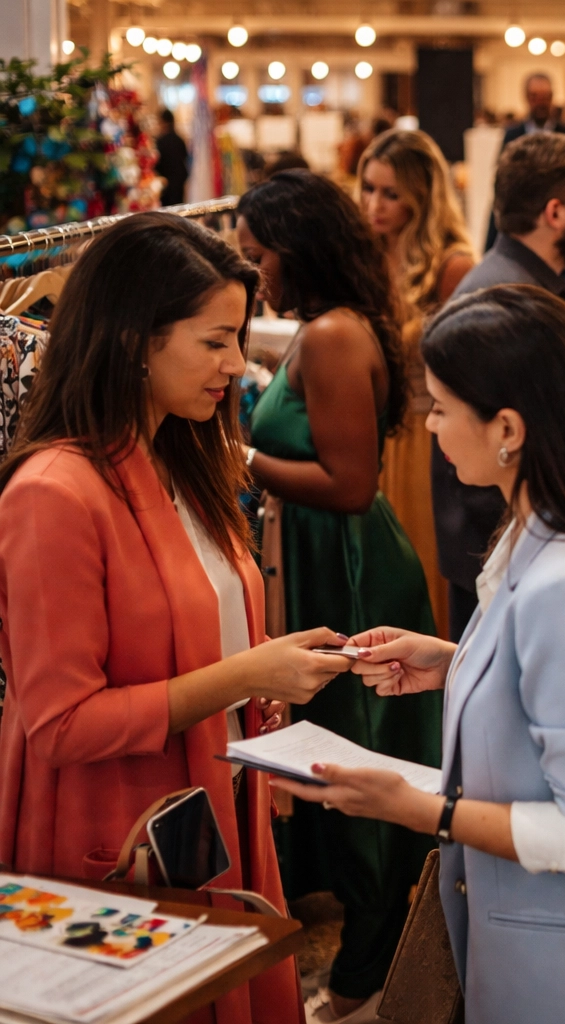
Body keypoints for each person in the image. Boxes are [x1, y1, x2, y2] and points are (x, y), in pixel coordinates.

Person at [270, 284, 565, 1023]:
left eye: (439, 407)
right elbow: (544, 673)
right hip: (538, 939)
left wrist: (414, 807)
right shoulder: (535, 529)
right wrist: (453, 659)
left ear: (507, 428)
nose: (428, 425)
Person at [0, 213, 356, 1024]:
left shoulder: (181, 461)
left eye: (237, 339)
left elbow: (196, 635)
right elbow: (58, 723)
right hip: (122, 831)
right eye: (215, 341)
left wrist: (266, 670)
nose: (236, 364)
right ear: (134, 340)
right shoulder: (54, 494)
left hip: (209, 803)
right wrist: (246, 673)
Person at [237, 171, 442, 1024]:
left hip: (351, 566)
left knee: (356, 762)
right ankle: (365, 946)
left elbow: (351, 486)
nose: (254, 273)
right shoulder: (329, 327)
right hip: (323, 557)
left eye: (258, 254)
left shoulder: (330, 335)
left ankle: (367, 968)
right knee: (338, 757)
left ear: (297, 248)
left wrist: (241, 459)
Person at [435, 131, 565, 641]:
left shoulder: (563, 281)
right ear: (555, 213)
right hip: (526, 560)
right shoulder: (495, 298)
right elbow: (476, 455)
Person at [358, 128, 477, 637]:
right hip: (370, 438)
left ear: (422, 197)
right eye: (368, 188)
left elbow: (469, 372)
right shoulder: (364, 259)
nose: (374, 205)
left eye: (391, 193)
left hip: (427, 442)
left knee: (422, 576)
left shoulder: (452, 267)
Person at [481, 73, 565, 251]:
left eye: (545, 97)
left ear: (552, 97)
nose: (540, 103)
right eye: (535, 97)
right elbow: (503, 180)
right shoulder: (512, 135)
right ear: (526, 98)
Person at [154, 108, 189, 206]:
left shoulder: (160, 141)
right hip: (179, 181)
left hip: (166, 183)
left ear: (164, 122)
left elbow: (158, 163)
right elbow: (185, 157)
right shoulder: (179, 140)